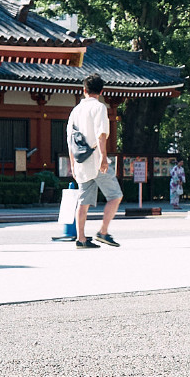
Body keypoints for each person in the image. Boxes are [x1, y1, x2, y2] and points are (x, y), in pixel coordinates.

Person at [68, 75, 122, 250]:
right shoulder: (99, 108)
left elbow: (71, 140)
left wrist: (73, 164)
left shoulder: (75, 111)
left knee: (83, 202)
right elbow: (101, 135)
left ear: (84, 90)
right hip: (96, 160)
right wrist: (104, 158)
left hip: (81, 162)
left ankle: (81, 238)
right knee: (115, 196)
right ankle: (103, 232)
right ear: (101, 91)